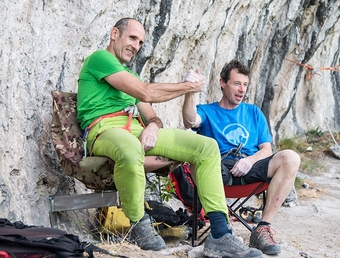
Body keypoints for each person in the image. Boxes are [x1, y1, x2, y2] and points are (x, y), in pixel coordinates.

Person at [77, 18, 262, 258]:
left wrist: (152, 127)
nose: (136, 45)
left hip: (133, 129)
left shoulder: (128, 74)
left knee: (205, 147)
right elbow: (145, 91)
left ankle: (219, 233)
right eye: (132, 38)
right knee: (131, 148)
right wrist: (188, 87)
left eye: (141, 42)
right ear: (115, 34)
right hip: (102, 131)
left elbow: (151, 115)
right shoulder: (100, 59)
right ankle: (137, 223)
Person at [182, 59, 301, 255]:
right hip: (217, 169)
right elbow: (190, 120)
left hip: (251, 166)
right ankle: (222, 229)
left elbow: (266, 149)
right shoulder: (207, 111)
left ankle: (262, 228)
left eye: (245, 85)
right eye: (237, 83)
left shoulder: (253, 112)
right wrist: (190, 91)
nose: (241, 89)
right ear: (222, 83)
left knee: (291, 158)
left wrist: (249, 161)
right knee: (196, 160)